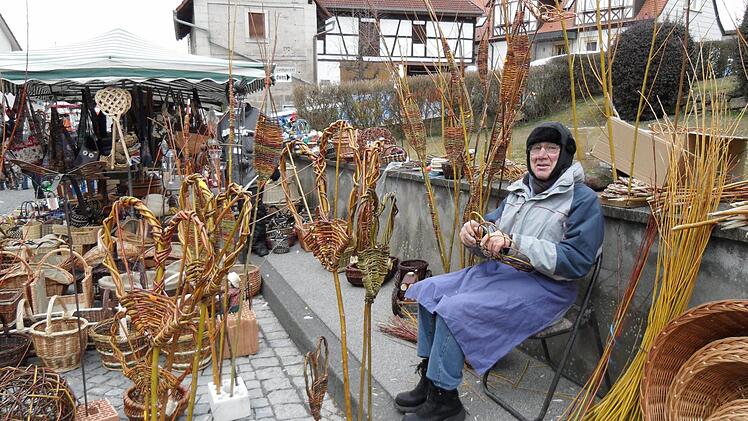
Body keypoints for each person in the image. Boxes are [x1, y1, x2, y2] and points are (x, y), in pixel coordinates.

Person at [395, 122, 605, 421]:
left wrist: (514, 244)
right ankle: (430, 381)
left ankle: (446, 401)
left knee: (454, 308)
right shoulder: (521, 190)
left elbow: (578, 261)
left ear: (565, 156)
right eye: (536, 149)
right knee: (430, 291)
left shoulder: (582, 200)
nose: (541, 155)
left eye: (551, 149)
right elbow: (493, 229)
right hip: (502, 275)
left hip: (547, 289)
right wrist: (476, 233)